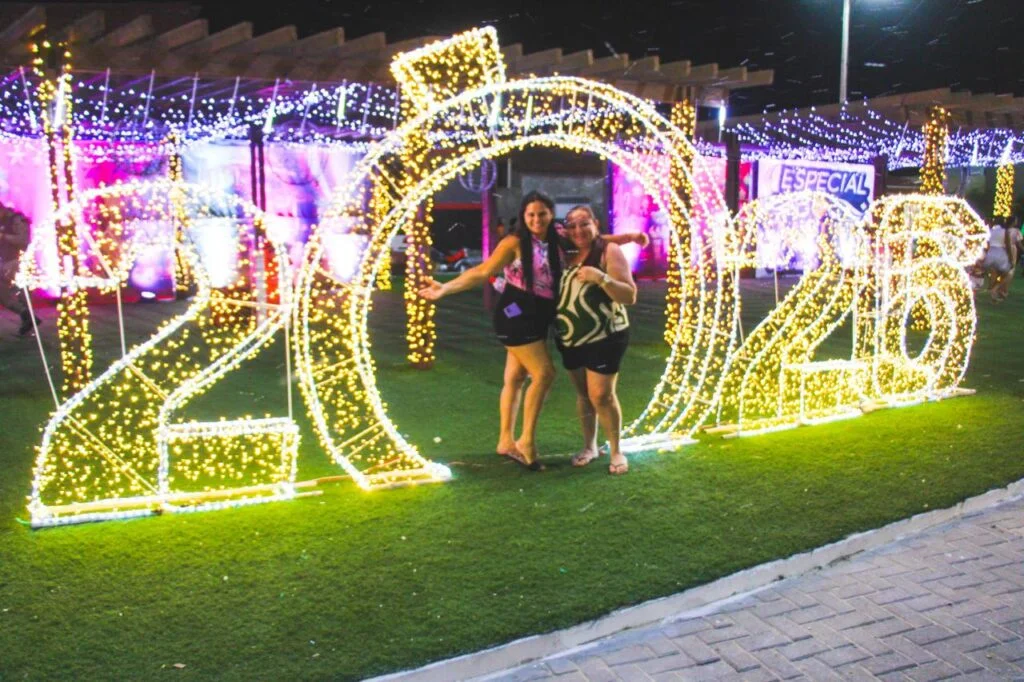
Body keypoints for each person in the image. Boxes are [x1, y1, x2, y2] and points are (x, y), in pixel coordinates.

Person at [419, 191, 645, 470]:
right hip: (516, 315)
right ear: (523, 216)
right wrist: (446, 288)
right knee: (544, 373)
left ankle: (505, 440)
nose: (537, 219)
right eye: (531, 214)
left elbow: (589, 239)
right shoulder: (514, 242)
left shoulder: (558, 238)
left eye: (542, 214)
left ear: (551, 216)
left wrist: (628, 237)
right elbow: (482, 271)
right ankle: (526, 441)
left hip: (540, 318)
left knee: (515, 377)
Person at [555, 205, 637, 475]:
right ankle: (589, 446)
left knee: (601, 395)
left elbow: (629, 295)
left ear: (595, 224)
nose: (578, 230)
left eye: (584, 223)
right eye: (572, 225)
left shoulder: (608, 251)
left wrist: (601, 278)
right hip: (570, 337)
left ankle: (616, 450)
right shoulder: (565, 253)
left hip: (606, 335)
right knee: (583, 395)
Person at [0, 203, 39, 336]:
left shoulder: (17, 220)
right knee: (8, 295)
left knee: (19, 295)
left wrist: (4, 236)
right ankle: (28, 318)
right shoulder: (4, 220)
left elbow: (24, 241)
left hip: (17, 262)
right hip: (6, 262)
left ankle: (28, 319)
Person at [981, 216, 1023, 302]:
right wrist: (1011, 258)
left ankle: (991, 289)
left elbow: (987, 242)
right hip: (1001, 253)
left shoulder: (992, 231)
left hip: (990, 253)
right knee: (1009, 272)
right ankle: (996, 288)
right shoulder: (1006, 232)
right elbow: (1008, 245)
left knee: (993, 271)